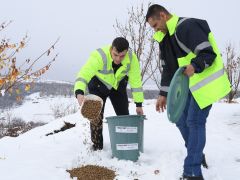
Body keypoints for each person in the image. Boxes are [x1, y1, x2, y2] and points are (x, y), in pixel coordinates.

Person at [146, 4, 231, 180]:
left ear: (162, 15)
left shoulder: (186, 26)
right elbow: (168, 69)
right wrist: (163, 94)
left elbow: (208, 53)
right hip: (188, 87)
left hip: (206, 85)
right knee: (180, 119)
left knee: (194, 121)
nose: (155, 30)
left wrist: (195, 65)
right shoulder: (165, 39)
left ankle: (192, 172)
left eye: (155, 25)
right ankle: (197, 155)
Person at [74, 37, 144, 151]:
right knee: (96, 115)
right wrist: (79, 92)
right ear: (111, 49)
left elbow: (136, 82)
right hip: (98, 85)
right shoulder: (99, 55)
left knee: (123, 115)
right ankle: (97, 146)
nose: (118, 59)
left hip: (117, 85)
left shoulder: (132, 59)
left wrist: (139, 104)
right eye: (115, 54)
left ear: (127, 52)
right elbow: (84, 73)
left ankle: (124, 144)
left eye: (122, 56)